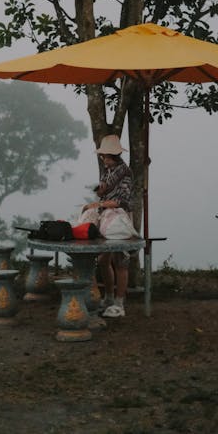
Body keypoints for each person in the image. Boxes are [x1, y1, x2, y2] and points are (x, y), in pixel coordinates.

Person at [82, 134, 135, 318]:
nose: (102, 158)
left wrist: (99, 205)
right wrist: (100, 193)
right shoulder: (108, 171)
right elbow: (104, 193)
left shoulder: (125, 173)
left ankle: (120, 304)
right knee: (104, 260)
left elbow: (122, 200)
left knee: (121, 261)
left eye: (104, 155)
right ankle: (109, 298)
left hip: (119, 219)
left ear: (111, 156)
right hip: (106, 218)